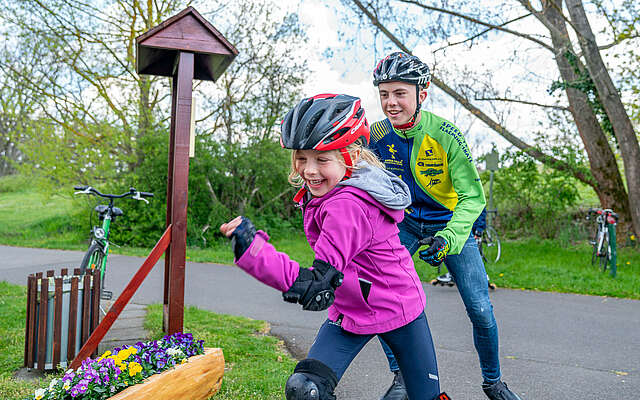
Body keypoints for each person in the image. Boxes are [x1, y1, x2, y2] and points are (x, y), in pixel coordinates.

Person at [219, 93, 450, 400]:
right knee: (306, 389)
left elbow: (317, 284)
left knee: (425, 397)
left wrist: (252, 249)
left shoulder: (347, 205)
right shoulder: (327, 191)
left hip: (399, 308)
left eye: (322, 159)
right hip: (352, 309)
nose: (309, 170)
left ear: (350, 157)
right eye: (302, 158)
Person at [368, 52, 522, 400]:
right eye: (384, 94)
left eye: (400, 93)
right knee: (380, 297)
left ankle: (493, 382)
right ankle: (402, 377)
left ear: (422, 94)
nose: (391, 103)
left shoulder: (446, 134)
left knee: (481, 310)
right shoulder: (375, 134)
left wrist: (450, 237)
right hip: (404, 224)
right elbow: (345, 167)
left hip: (449, 224)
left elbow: (473, 198)